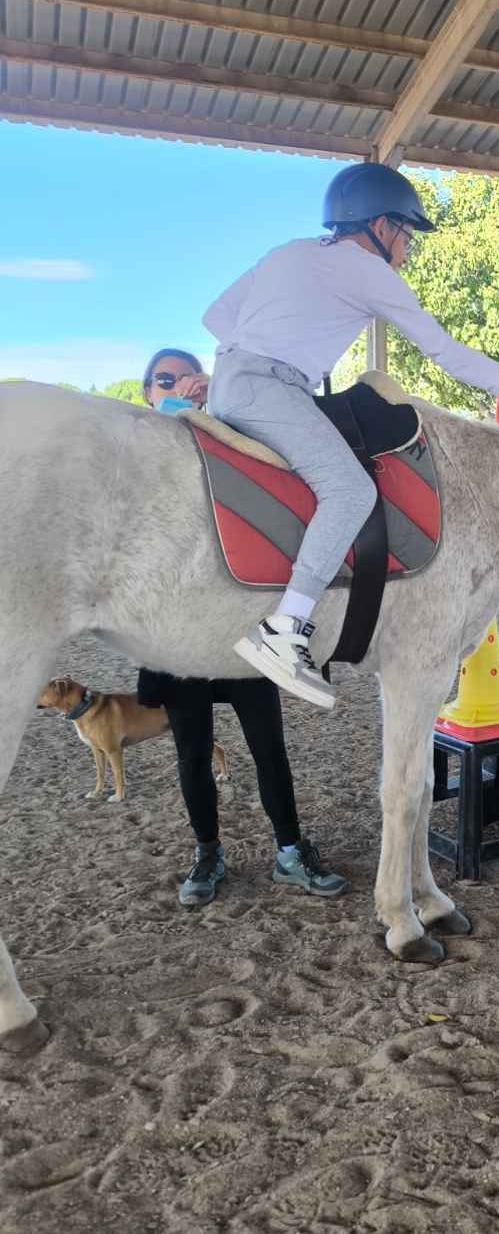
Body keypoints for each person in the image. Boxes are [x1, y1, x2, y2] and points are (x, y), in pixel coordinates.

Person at [203, 163, 499, 710]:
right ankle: (286, 628)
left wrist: (282, 336)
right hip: (269, 386)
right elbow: (442, 351)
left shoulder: (290, 251)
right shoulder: (367, 272)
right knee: (351, 491)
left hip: (235, 379)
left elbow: (215, 317)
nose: (407, 247)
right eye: (405, 233)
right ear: (379, 225)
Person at [139, 349, 347, 907]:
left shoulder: (231, 435)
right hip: (179, 630)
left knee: (268, 746)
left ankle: (289, 850)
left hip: (238, 620)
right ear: (147, 395)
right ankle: (207, 853)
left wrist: (221, 410)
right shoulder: (140, 445)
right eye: (164, 380)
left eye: (186, 376)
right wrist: (176, 412)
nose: (177, 386)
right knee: (192, 750)